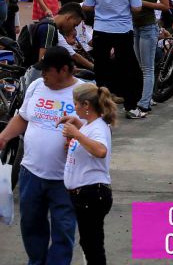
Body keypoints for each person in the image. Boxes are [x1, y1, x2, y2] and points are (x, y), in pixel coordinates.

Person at [0, 46, 83, 265]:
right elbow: (23, 117)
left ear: (63, 70)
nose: (43, 75)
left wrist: (77, 141)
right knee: (31, 226)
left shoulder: (85, 92)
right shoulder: (36, 86)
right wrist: (3, 138)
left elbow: (97, 134)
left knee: (63, 230)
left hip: (66, 179)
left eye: (47, 71)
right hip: (31, 173)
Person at [82, 0, 143, 117]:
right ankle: (131, 107)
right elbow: (137, 8)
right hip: (122, 29)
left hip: (101, 28)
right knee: (129, 67)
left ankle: (100, 109)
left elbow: (87, 6)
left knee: (101, 68)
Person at [60, 83, 116, 265]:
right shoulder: (90, 124)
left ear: (86, 105)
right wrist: (78, 126)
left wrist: (77, 134)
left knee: (93, 247)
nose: (73, 107)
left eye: (75, 104)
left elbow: (100, 151)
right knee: (90, 244)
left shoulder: (97, 127)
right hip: (86, 196)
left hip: (91, 195)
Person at [130, 0, 169, 117]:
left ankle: (144, 104)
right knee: (141, 66)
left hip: (148, 28)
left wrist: (142, 2)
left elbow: (165, 6)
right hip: (136, 27)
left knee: (147, 67)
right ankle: (147, 97)